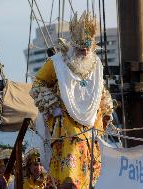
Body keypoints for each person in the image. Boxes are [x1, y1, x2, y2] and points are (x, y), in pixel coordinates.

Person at [30, 11, 113, 188]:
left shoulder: (96, 64)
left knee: (94, 173)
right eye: (80, 49)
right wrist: (52, 105)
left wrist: (107, 109)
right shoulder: (56, 63)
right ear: (72, 46)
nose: (84, 53)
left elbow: (100, 88)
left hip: (92, 127)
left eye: (87, 50)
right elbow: (38, 84)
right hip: (66, 127)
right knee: (69, 174)